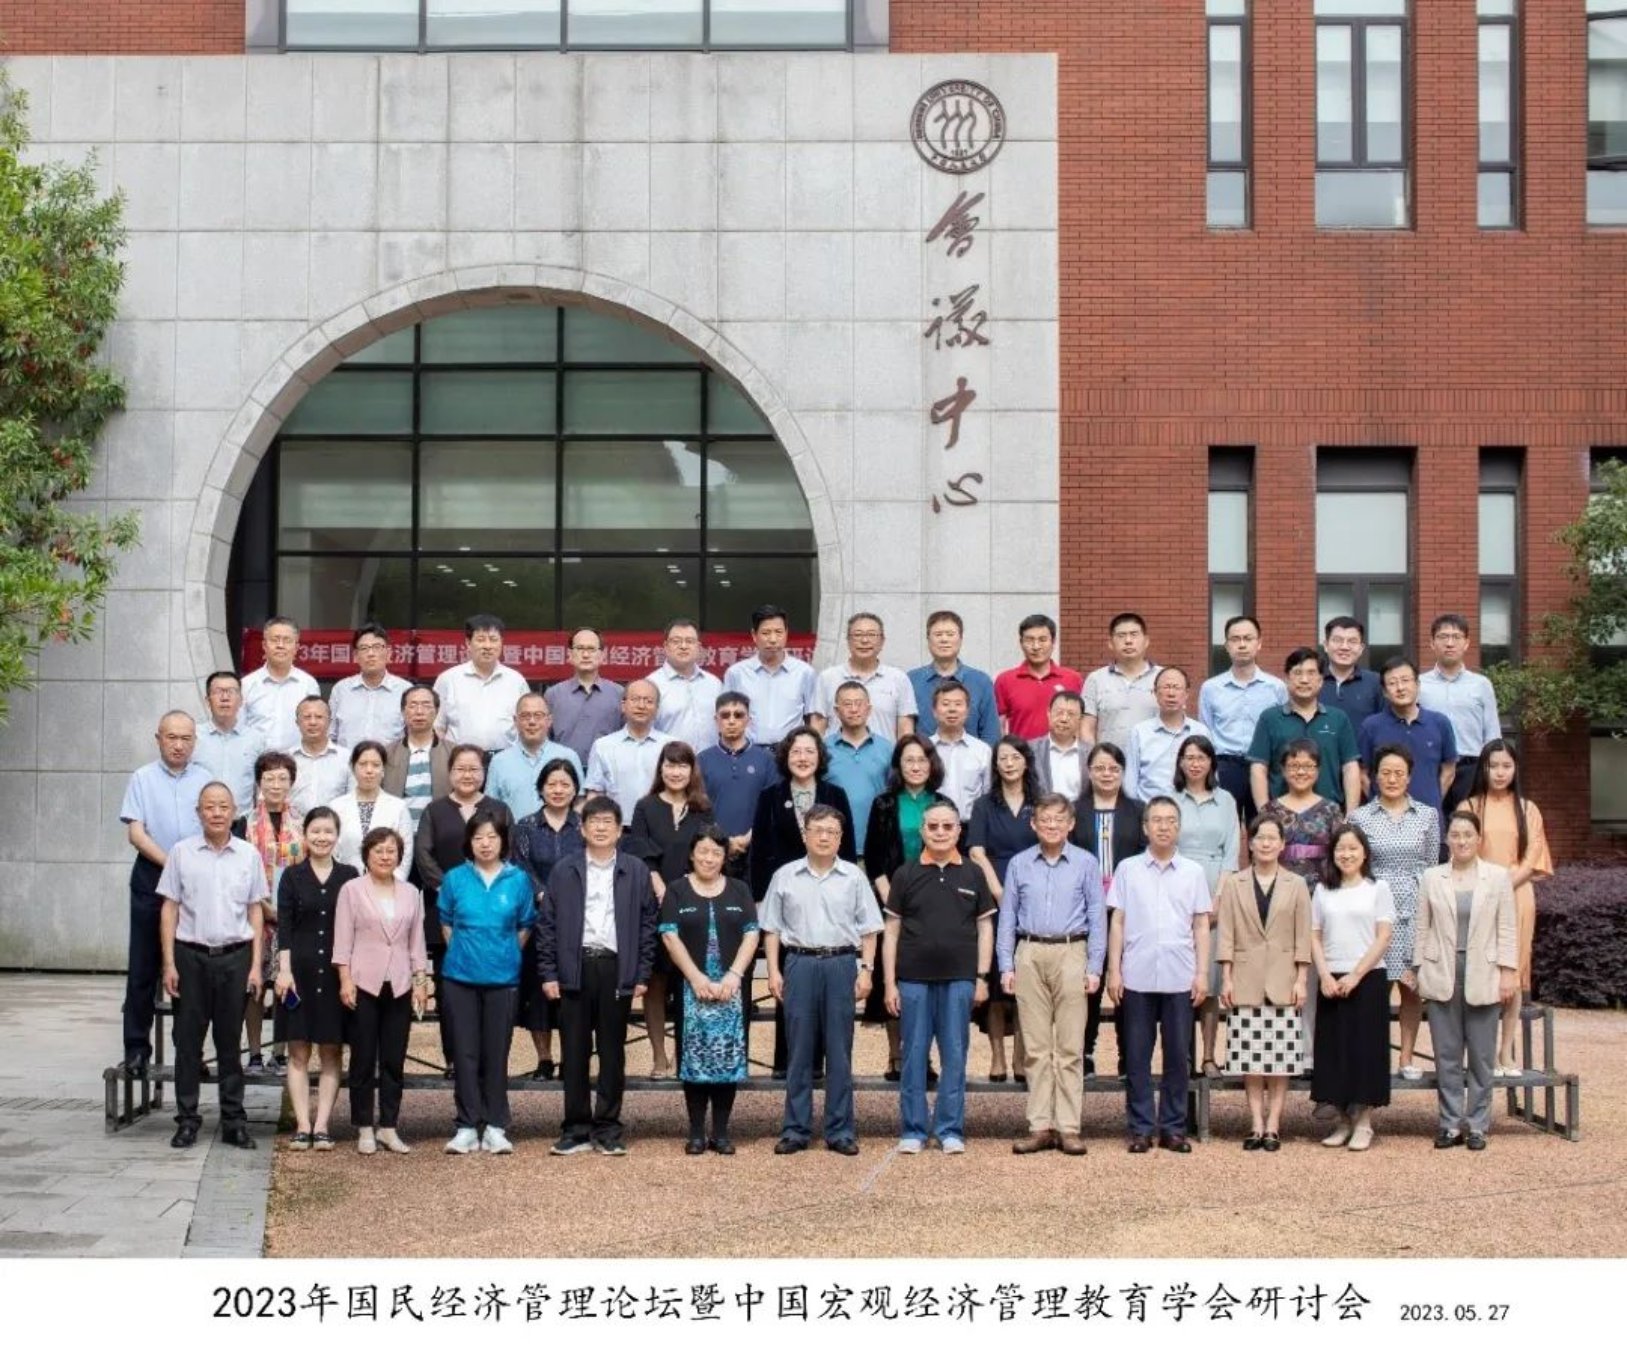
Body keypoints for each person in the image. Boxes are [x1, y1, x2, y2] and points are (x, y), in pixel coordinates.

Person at [760, 804, 884, 1156]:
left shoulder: (853, 877)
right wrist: (773, 970)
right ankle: (795, 1129)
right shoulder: (785, 875)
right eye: (818, 830)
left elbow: (870, 929)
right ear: (805, 835)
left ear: (841, 838)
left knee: (839, 1051)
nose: (825, 837)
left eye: (832, 831)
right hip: (799, 963)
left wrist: (866, 970)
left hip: (841, 963)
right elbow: (771, 929)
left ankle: (840, 1129)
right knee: (798, 1050)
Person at [539, 796, 657, 1157]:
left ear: (620, 830)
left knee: (612, 1052)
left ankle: (608, 1128)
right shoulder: (565, 869)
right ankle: (575, 1128)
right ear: (583, 828)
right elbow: (547, 925)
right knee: (574, 1053)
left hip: (616, 968)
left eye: (608, 822)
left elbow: (647, 925)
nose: (601, 828)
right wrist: (549, 972)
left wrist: (641, 972)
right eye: (594, 821)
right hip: (574, 967)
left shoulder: (636, 870)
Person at [883, 798, 996, 1155]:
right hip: (913, 979)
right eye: (933, 826)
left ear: (959, 831)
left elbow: (985, 928)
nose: (941, 832)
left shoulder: (973, 873)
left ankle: (949, 1129)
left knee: (955, 1054)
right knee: (913, 1054)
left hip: (960, 979)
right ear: (922, 831)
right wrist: (889, 983)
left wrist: (982, 977)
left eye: (948, 826)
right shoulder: (905, 874)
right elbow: (891, 931)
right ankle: (914, 1129)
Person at [158, 782, 267, 1150]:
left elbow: (255, 910)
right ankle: (187, 1120)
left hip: (236, 957)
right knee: (188, 1043)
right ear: (199, 812)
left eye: (223, 806)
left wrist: (256, 966)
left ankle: (234, 1121)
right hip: (190, 957)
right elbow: (169, 908)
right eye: (209, 807)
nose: (217, 813)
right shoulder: (181, 853)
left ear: (233, 811)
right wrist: (169, 963)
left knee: (229, 1043)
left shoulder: (248, 854)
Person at [998, 793, 1106, 1155]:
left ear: (1071, 824)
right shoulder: (1019, 864)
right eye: (1045, 819)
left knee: (1071, 1047)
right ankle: (1040, 1125)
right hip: (1029, 951)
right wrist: (1006, 965)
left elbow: (1097, 917)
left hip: (1072, 950)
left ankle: (1069, 1127)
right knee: (1036, 1047)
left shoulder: (1086, 863)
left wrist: (1094, 966)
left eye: (1059, 819)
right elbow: (1007, 916)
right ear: (1034, 824)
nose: (1052, 826)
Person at [750, 727, 858, 1077]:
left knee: (827, 987)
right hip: (786, 896)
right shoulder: (770, 796)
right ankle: (788, 1062)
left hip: (829, 893)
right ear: (786, 756)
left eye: (809, 751)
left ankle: (821, 1063)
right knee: (789, 979)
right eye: (796, 751)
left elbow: (848, 847)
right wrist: (760, 898)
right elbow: (759, 849)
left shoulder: (834, 794)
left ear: (819, 756)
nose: (802, 758)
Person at [1107, 796, 1212, 1154]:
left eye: (1170, 820)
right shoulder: (1128, 869)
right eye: (1156, 820)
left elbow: (1201, 925)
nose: (1163, 826)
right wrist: (1114, 970)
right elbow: (1117, 921)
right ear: (1145, 827)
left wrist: (1201, 973)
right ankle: (1140, 1128)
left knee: (1177, 1056)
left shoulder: (1193, 872)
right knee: (1137, 1056)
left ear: (1178, 827)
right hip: (1136, 975)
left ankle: (1173, 1128)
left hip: (1179, 975)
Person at [1416, 811, 1518, 1151]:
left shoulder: (1497, 877)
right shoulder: (1432, 877)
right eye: (1456, 835)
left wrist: (1508, 972)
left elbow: (1507, 927)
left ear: (1479, 839)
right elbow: (1422, 927)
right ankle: (1449, 1124)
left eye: (1468, 835)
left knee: (1481, 1056)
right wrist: (1419, 968)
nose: (1461, 841)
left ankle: (1477, 1125)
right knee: (1446, 1055)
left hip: (1484, 972)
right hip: (1442, 970)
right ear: (1447, 839)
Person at [438, 810, 538, 1155]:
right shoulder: (455, 878)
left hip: (503, 976)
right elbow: (446, 921)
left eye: (492, 837)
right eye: (478, 837)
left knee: (497, 1053)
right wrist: (464, 951)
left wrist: (505, 952)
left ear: (503, 841)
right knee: (464, 1052)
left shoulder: (518, 879)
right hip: (460, 976)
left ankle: (496, 1125)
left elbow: (525, 925)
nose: (485, 843)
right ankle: (466, 1125)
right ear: (469, 842)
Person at [119, 711, 213, 1074]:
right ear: (158, 738)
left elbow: (214, 828)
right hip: (151, 877)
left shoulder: (206, 779)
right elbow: (136, 834)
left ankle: (190, 1052)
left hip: (194, 883)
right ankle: (136, 1049)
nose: (178, 745)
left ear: (194, 742)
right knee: (143, 967)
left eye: (186, 738)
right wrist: (173, 863)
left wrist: (190, 868)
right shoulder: (142, 778)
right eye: (171, 737)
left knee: (189, 970)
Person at [413, 744, 515, 1074]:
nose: (467, 775)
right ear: (450, 773)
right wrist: (453, 891)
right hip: (446, 914)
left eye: (474, 769)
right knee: (451, 993)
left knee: (492, 990)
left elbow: (509, 854)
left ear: (484, 773)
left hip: (492, 915)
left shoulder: (499, 810)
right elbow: (423, 855)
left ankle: (489, 1060)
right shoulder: (434, 811)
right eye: (460, 769)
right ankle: (455, 1058)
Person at [659, 825, 760, 1154]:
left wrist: (734, 974)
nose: (709, 858)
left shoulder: (739, 889)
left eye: (716, 852)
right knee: (694, 1059)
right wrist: (695, 977)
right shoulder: (677, 890)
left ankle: (721, 1131)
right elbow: (669, 935)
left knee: (727, 1059)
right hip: (692, 988)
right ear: (692, 854)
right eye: (703, 851)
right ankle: (695, 1132)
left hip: (731, 988)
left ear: (724, 856)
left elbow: (752, 933)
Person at [1216, 814, 1312, 1150]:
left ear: (1283, 844)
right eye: (1260, 838)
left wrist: (1302, 979)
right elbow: (1226, 933)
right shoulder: (1235, 883)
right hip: (1245, 976)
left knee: (1280, 1059)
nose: (1266, 843)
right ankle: (1255, 1122)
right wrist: (1226, 977)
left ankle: (1274, 1124)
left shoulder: (1296, 884)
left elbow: (1303, 935)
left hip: (1283, 977)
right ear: (1251, 844)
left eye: (1273, 838)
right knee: (1251, 1058)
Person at [333, 825, 427, 1155]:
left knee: (393, 1058)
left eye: (391, 851)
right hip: (363, 982)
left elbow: (416, 941)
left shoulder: (411, 892)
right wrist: (345, 980)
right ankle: (363, 1126)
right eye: (378, 851)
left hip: (399, 984)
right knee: (362, 1059)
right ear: (366, 855)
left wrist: (420, 981)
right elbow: (342, 940)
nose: (385, 856)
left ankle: (389, 1126)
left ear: (399, 856)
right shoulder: (352, 890)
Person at [1349, 744, 1441, 1079]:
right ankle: (1374, 1059)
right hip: (1374, 908)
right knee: (1374, 988)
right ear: (1373, 777)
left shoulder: (1428, 816)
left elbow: (1431, 865)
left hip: (1415, 908)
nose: (1391, 779)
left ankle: (1406, 1058)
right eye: (1385, 773)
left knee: (1411, 988)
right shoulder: (1359, 817)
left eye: (1398, 773)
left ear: (1409, 777)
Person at [627, 742, 716, 1078]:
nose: (676, 771)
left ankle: (686, 1054)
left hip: (693, 903)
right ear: (660, 768)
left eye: (682, 765)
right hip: (653, 904)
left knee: (689, 980)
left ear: (692, 771)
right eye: (670, 764)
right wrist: (660, 886)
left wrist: (687, 891)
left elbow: (708, 853)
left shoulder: (703, 809)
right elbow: (640, 851)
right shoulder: (645, 806)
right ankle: (659, 1057)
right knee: (655, 982)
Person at [862, 734, 948, 1080]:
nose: (915, 766)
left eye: (922, 760)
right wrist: (892, 901)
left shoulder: (942, 803)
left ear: (932, 764)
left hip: (934, 903)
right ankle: (896, 1055)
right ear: (898, 765)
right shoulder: (884, 804)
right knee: (894, 978)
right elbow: (874, 857)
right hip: (893, 902)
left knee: (926, 980)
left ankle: (923, 1057)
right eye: (909, 760)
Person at [1468, 739, 1553, 1076]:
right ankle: (1484, 1050)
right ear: (1483, 768)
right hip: (1479, 894)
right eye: (1493, 766)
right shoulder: (1470, 805)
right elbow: (1464, 852)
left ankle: (1506, 1051)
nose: (1500, 772)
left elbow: (1532, 857)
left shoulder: (1528, 809)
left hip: (1517, 894)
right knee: (1482, 969)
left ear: (1516, 769)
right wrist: (1490, 886)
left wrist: (1504, 884)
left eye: (1506, 766)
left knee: (1513, 970)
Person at [1309, 823, 1395, 1152]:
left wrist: (1356, 975)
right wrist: (1325, 975)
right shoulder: (1322, 890)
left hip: (1368, 977)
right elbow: (1314, 935)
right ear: (1332, 853)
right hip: (1331, 977)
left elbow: (1383, 937)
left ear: (1364, 853)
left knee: (1365, 1051)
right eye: (1340, 849)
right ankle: (1342, 1121)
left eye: (1353, 848)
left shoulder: (1378, 888)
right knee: (1334, 1052)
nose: (1346, 854)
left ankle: (1364, 1123)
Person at [1259, 738, 1343, 1071]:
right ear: (1283, 770)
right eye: (1294, 765)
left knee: (1315, 976)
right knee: (1282, 974)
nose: (1300, 772)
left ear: (1318, 770)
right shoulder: (1271, 811)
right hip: (1280, 902)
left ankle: (1313, 1053)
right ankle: (1281, 1051)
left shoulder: (1331, 809)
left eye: (1307, 766)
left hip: (1321, 899)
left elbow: (1341, 856)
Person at [273, 807, 354, 1152]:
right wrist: (284, 970)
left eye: (328, 831)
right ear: (305, 835)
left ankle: (322, 1125)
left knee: (331, 1050)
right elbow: (285, 926)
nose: (322, 837)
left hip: (336, 973)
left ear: (337, 836)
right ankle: (302, 1125)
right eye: (315, 831)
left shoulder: (350, 875)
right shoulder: (292, 876)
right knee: (298, 1051)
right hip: (299, 972)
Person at [1069, 742, 1146, 1078]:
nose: (1106, 774)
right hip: (1083, 908)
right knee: (1088, 983)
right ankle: (1084, 1051)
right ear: (1089, 771)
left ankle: (1128, 1055)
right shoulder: (1075, 811)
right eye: (1099, 768)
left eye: (1113, 768)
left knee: (1126, 982)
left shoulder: (1138, 810)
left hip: (1127, 907)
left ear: (1123, 772)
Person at [967, 736, 1039, 1083]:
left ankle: (1021, 1055)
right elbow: (976, 851)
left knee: (1026, 977)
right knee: (996, 979)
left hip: (1035, 893)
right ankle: (996, 1056)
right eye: (1002, 758)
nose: (1009, 763)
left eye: (1015, 757)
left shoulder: (1040, 802)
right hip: (992, 892)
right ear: (995, 765)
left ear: (1026, 761)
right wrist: (998, 890)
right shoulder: (984, 805)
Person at [511, 757, 585, 1081]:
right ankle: (544, 1058)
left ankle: (572, 1057)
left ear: (575, 789)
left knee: (573, 991)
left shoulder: (584, 826)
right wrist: (544, 894)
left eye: (565, 784)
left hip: (579, 918)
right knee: (538, 990)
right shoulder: (525, 826)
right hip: (537, 918)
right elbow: (520, 865)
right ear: (541, 788)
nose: (558, 790)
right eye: (551, 784)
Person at [1173, 734, 1241, 1076]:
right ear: (1180, 762)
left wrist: (1219, 898)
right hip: (1177, 890)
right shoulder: (1170, 800)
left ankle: (1209, 1056)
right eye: (1189, 757)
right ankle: (1182, 1056)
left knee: (1211, 980)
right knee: (1181, 981)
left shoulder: (1226, 800)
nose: (1195, 763)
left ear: (1212, 762)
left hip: (1217, 885)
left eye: (1201, 757)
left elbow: (1231, 852)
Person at [240, 750, 304, 1075]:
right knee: (254, 986)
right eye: (269, 778)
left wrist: (286, 911)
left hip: (291, 917)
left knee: (284, 982)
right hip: (253, 914)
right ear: (259, 782)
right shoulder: (244, 823)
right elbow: (240, 871)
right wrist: (265, 907)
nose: (276, 785)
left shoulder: (303, 823)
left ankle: (279, 1052)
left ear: (291, 782)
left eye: (282, 778)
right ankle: (254, 1054)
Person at [1247, 647, 1362, 813]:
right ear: (1287, 679)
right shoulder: (1269, 718)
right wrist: (1265, 815)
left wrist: (1350, 816)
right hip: (1281, 815)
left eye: (1311, 673)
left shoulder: (1338, 718)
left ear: (1321, 681)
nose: (1304, 680)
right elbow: (1259, 767)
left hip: (1329, 814)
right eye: (1297, 673)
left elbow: (1350, 767)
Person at [1198, 615, 1286, 824]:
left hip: (1265, 766)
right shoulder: (1211, 688)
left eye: (1248, 638)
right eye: (1235, 639)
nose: (1242, 644)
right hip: (1226, 766)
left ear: (1259, 643)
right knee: (1223, 827)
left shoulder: (1276, 688)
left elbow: (1282, 730)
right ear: (1227, 645)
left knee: (1265, 827)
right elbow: (1205, 730)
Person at [1420, 613, 1503, 813]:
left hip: (1471, 768)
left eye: (1456, 637)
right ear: (1432, 643)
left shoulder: (1481, 685)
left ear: (1466, 643)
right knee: (1431, 823)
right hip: (1431, 767)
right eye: (1443, 637)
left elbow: (1492, 735)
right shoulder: (1419, 684)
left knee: (1470, 824)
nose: (1449, 643)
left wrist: (1492, 771)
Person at [1357, 657, 1458, 811]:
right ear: (1384, 692)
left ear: (1417, 684)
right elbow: (1362, 774)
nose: (1400, 688)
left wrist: (1432, 803)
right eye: (1392, 683)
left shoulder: (1440, 723)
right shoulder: (1371, 726)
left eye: (1405, 680)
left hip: (1428, 816)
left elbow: (1449, 770)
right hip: (1383, 817)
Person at [698, 691, 778, 879]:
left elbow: (773, 806)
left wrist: (748, 838)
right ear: (716, 720)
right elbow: (698, 807)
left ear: (748, 720)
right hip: (713, 851)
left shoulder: (767, 759)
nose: (731, 721)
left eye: (738, 715)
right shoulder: (702, 760)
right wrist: (723, 840)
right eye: (725, 715)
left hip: (758, 850)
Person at [433, 613, 531, 753]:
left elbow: (526, 725)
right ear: (468, 643)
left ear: (501, 642)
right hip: (460, 759)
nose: (487, 646)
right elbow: (437, 727)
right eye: (481, 639)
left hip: (505, 757)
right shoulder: (448, 679)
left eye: (493, 640)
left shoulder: (516, 681)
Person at [722, 603, 818, 745]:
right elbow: (726, 718)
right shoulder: (736, 674)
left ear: (786, 633)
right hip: (749, 751)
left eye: (778, 632)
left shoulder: (804, 673)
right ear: (754, 635)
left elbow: (813, 717)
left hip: (791, 752)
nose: (773, 639)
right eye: (766, 633)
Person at [813, 611, 918, 740]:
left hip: (885, 753)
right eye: (858, 635)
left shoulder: (898, 679)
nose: (864, 640)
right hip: (836, 753)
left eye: (871, 635)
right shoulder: (827, 678)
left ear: (882, 641)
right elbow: (817, 729)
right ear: (848, 640)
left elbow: (906, 731)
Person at [584, 679, 673, 819]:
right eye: (635, 700)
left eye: (649, 701)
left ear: (657, 709)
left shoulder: (670, 745)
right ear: (623, 706)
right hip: (617, 827)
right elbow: (595, 793)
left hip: (661, 825)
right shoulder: (603, 746)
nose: (641, 706)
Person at [485, 692, 583, 819]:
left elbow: (579, 803)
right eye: (525, 716)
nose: (532, 721)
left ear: (549, 720)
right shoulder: (499, 762)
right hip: (513, 831)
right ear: (515, 721)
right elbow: (491, 809)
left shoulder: (568, 757)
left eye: (538, 715)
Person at [908, 608, 999, 743]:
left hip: (971, 756)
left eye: (950, 634)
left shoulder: (981, 681)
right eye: (938, 634)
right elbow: (906, 730)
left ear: (960, 639)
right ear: (928, 639)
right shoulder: (911, 680)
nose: (944, 639)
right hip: (924, 755)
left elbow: (991, 734)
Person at [823, 681, 893, 853]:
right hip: (832, 846)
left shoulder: (887, 748)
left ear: (868, 709)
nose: (854, 709)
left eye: (859, 704)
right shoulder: (822, 749)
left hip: (876, 845)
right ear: (836, 711)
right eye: (847, 704)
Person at [1124, 667, 1212, 803]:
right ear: (1155, 693)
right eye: (1166, 687)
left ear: (1186, 694)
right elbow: (1130, 781)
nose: (1171, 693)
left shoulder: (1201, 732)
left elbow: (1211, 777)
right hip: (1149, 810)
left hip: (1191, 810)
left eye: (1176, 687)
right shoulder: (1139, 732)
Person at [331, 740, 414, 880]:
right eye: (363, 764)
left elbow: (405, 855)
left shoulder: (398, 807)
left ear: (383, 770)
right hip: (345, 883)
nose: (369, 770)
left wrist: (391, 885)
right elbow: (332, 850)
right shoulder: (336, 807)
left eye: (376, 765)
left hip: (387, 884)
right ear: (353, 768)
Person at [996, 613, 1084, 740]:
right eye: (1029, 640)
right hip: (1021, 752)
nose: (1036, 646)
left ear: (1053, 641)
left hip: (1062, 751)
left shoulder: (1073, 679)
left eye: (1042, 640)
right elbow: (999, 727)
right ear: (1021, 643)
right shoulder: (1005, 681)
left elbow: (1081, 723)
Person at [1081, 611, 1161, 752]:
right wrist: (1093, 759)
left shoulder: (1163, 677)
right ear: (1110, 643)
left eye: (1134, 634)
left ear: (1146, 641)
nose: (1128, 641)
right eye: (1121, 635)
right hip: (1109, 763)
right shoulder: (1096, 679)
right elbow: (1086, 728)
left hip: (1152, 763)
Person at [545, 627, 627, 764]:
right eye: (580, 648)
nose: (586, 655)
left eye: (591, 649)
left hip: (606, 771)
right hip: (564, 772)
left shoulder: (618, 694)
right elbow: (545, 740)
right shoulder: (553, 695)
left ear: (602, 655)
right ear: (570, 654)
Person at [241, 615, 319, 753]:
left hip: (297, 762)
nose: (280, 645)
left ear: (296, 647)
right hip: (257, 762)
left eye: (287, 640)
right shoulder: (246, 685)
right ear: (264, 645)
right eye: (274, 640)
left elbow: (315, 728)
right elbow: (238, 729)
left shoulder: (308, 684)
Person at [328, 622, 411, 748]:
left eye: (377, 647)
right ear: (355, 656)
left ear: (389, 653)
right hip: (348, 760)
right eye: (364, 648)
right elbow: (330, 735)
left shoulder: (405, 690)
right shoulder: (341, 690)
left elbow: (413, 736)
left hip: (390, 761)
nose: (371, 654)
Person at [383, 684, 451, 836]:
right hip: (398, 835)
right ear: (403, 711)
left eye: (426, 705)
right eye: (413, 706)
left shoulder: (453, 753)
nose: (419, 712)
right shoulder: (387, 754)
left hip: (440, 834)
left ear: (436, 711)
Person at [193, 670, 261, 820]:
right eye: (218, 692)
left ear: (241, 700)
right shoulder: (193, 737)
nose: (225, 698)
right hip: (201, 823)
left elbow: (260, 788)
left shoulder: (256, 739)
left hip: (242, 824)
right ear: (207, 701)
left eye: (231, 691)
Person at [649, 617, 723, 752]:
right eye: (676, 641)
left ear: (699, 647)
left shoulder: (714, 684)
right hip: (670, 762)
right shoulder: (652, 685)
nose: (683, 646)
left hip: (711, 762)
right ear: (665, 646)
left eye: (689, 641)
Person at [927, 680, 992, 822]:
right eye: (945, 704)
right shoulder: (924, 749)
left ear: (967, 711)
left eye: (958, 704)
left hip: (972, 827)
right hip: (934, 827)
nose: (952, 709)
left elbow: (989, 795)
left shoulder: (982, 751)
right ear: (934, 711)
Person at [288, 696, 350, 817]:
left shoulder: (347, 758)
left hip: (336, 826)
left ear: (329, 722)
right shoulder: (286, 759)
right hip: (294, 827)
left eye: (319, 717)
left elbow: (353, 799)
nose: (313, 722)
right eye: (307, 717)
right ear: (297, 722)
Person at [1320, 615, 1383, 727]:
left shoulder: (1376, 683)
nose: (1344, 647)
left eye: (1352, 641)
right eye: (1337, 640)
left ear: (1361, 648)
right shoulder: (1312, 682)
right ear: (1326, 645)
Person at [1029, 690, 1090, 798]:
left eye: (1071, 714)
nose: (1064, 719)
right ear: (1048, 713)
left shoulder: (1090, 754)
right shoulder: (1031, 750)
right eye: (1059, 712)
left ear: (1080, 719)